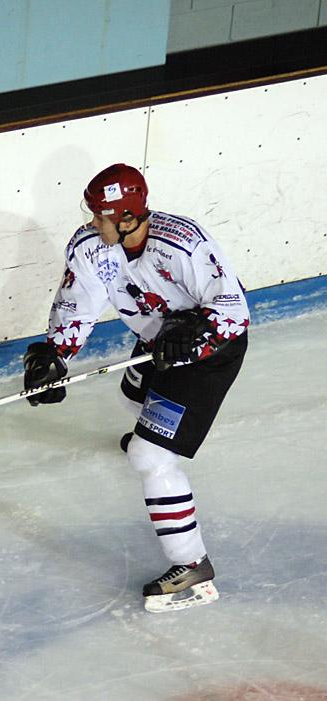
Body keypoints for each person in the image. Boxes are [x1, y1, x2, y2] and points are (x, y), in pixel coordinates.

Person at [24, 163, 249, 612]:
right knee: (132, 397)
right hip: (154, 343)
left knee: (149, 455)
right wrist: (56, 355)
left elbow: (233, 311)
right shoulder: (91, 247)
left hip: (207, 355)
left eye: (100, 217)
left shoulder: (183, 243)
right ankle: (153, 428)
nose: (92, 224)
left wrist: (197, 333)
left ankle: (192, 565)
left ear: (127, 219)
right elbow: (77, 302)